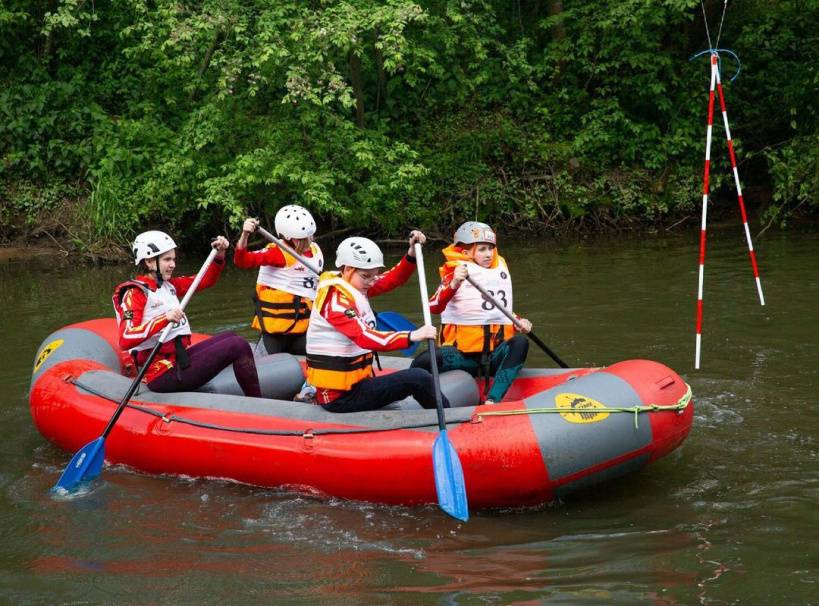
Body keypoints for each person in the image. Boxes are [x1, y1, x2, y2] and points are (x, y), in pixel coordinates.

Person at [305, 231, 450, 413]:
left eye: (374, 275)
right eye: (367, 276)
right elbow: (364, 337)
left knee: (420, 372)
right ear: (348, 270)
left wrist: (412, 253)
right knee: (418, 378)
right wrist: (412, 335)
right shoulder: (335, 302)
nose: (372, 281)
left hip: (357, 383)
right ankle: (453, 420)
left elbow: (393, 279)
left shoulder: (354, 285)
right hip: (339, 397)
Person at [113, 230, 262, 397]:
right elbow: (125, 339)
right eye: (167, 260)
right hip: (160, 373)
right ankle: (258, 402)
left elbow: (204, 280)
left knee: (231, 336)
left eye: (173, 259)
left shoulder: (168, 285)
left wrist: (219, 255)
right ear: (149, 262)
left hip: (178, 359)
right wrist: (165, 318)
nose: (173, 264)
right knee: (238, 345)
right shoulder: (135, 294)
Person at [411, 221, 532, 404]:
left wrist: (519, 321)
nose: (489, 254)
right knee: (423, 362)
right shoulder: (454, 274)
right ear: (466, 252)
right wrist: (453, 284)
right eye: (482, 249)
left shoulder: (497, 271)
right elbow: (433, 306)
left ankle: (492, 400)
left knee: (520, 342)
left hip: (494, 356)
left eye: (491, 248)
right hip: (462, 358)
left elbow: (498, 309)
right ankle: (423, 398)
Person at [234, 205, 324, 355]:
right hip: (275, 334)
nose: (308, 241)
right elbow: (241, 261)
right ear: (289, 238)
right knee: (263, 364)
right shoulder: (277, 253)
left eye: (310, 236)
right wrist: (245, 234)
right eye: (302, 240)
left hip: (303, 330)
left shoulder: (315, 250)